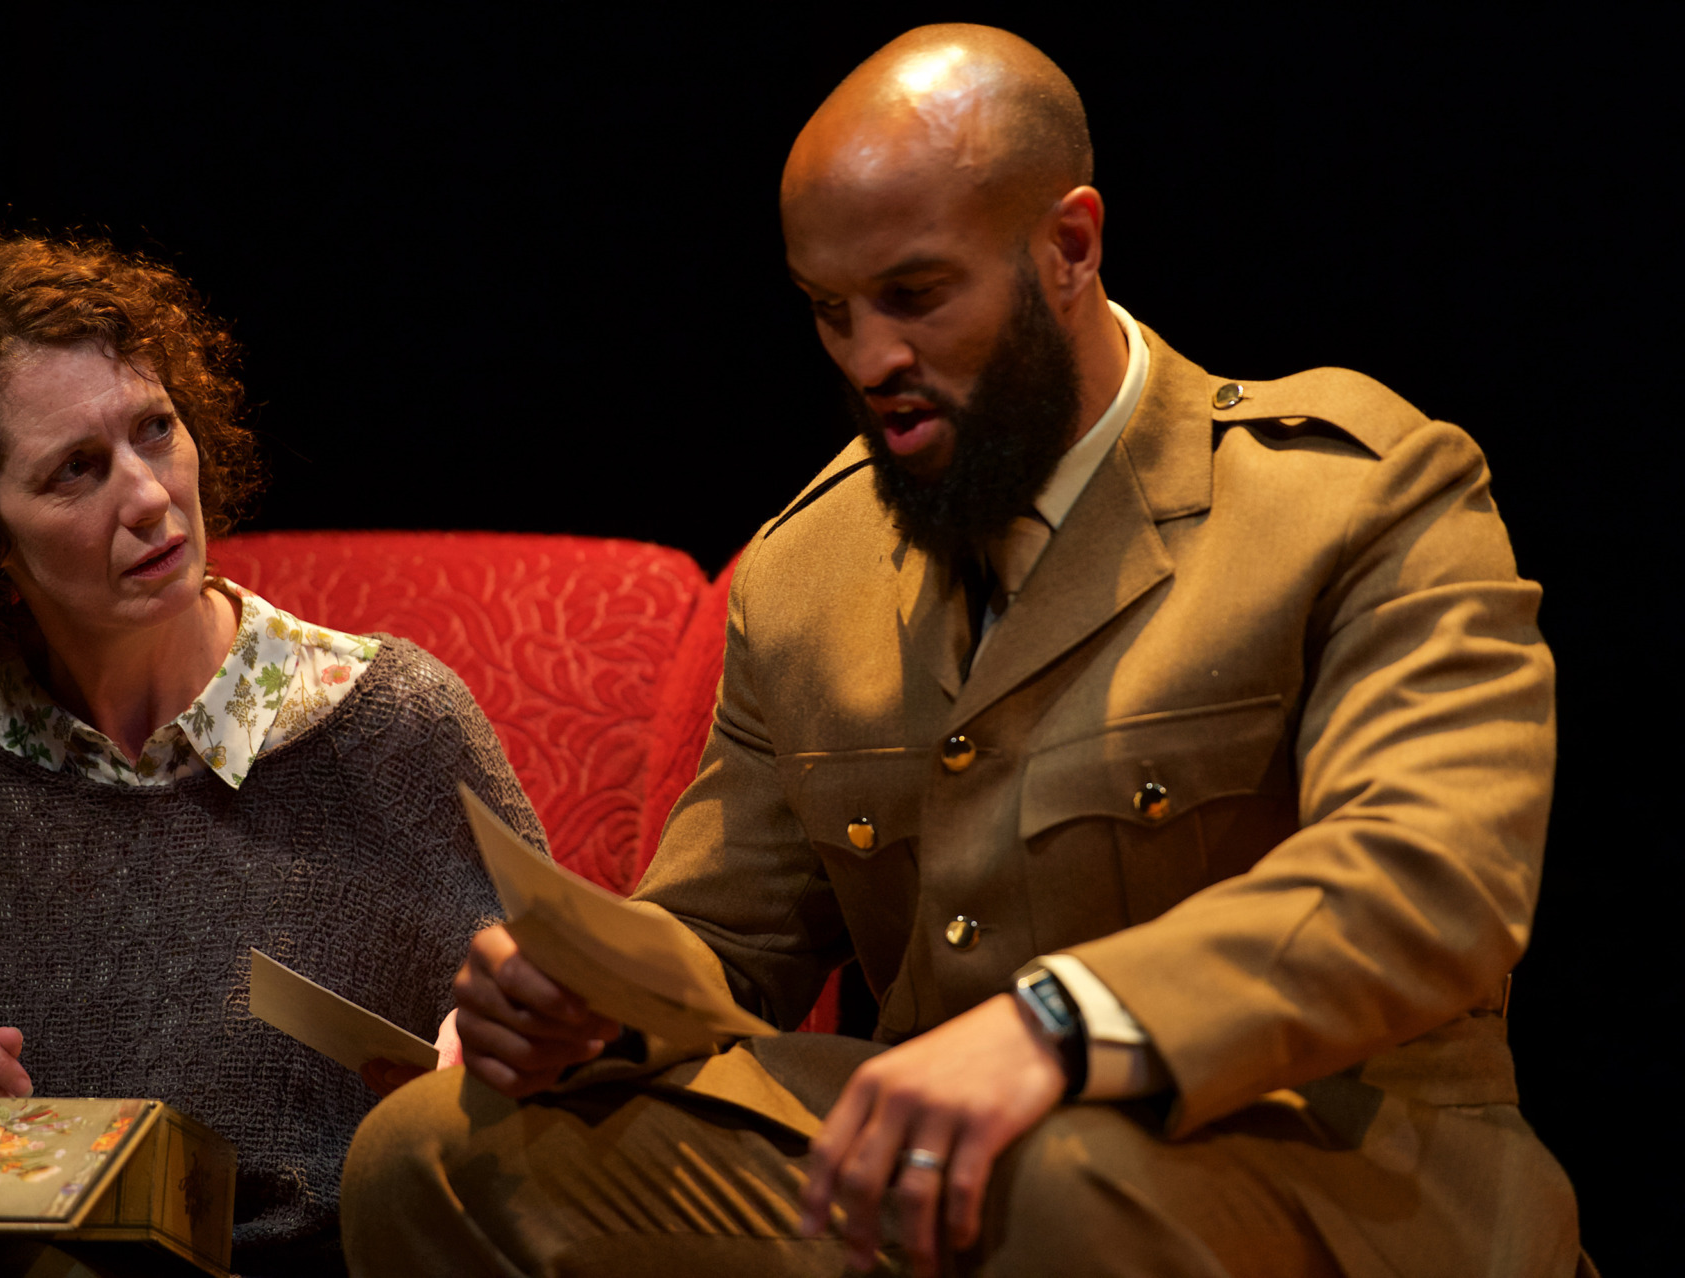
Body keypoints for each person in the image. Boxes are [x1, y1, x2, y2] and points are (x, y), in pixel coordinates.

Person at [339, 23, 1586, 1278]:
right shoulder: (811, 566)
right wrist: (588, 996)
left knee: (1052, 1183)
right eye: (830, 312)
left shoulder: (1353, 492)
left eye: (916, 296)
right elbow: (725, 943)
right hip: (934, 1165)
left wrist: (1058, 1028)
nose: (871, 360)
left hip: (1328, 1158)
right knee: (431, 1154)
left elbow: (1434, 875)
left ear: (1069, 248)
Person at [0, 234, 544, 1274]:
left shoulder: (388, 722)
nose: (147, 496)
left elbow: (574, 1043)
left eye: (155, 430)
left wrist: (508, 1045)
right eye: (75, 470)